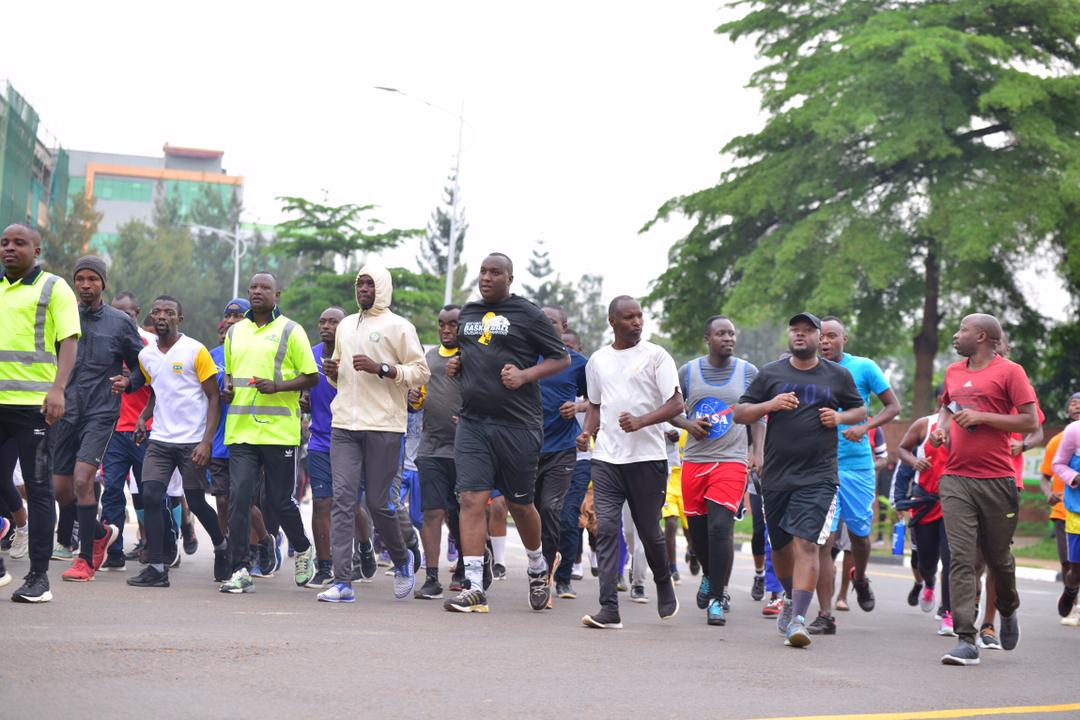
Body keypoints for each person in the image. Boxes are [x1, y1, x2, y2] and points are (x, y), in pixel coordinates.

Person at [442, 253, 569, 614]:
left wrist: (525, 376)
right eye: (482, 271)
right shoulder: (467, 314)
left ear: (510, 278)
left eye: (495, 272)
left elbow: (559, 358)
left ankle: (536, 566)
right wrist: (458, 364)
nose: (486, 277)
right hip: (473, 422)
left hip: (518, 424)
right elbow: (474, 354)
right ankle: (473, 584)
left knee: (520, 504)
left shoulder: (527, 314)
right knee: (470, 499)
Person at [733, 312, 865, 648]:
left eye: (808, 331)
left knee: (807, 543)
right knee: (780, 546)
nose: (801, 335)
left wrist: (838, 416)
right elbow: (739, 413)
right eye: (796, 330)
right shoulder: (772, 374)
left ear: (820, 338)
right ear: (789, 335)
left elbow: (860, 411)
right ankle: (791, 598)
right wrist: (769, 404)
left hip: (819, 475)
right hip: (776, 474)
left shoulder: (837, 375)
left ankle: (799, 620)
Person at [932, 313, 1038, 666]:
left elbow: (1029, 421)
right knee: (961, 558)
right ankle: (966, 638)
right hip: (957, 478)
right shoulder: (953, 372)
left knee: (999, 559)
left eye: (962, 329)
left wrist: (982, 417)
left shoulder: (1011, 371)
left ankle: (1007, 608)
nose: (955, 334)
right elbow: (947, 407)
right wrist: (943, 429)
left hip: (997, 480)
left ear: (981, 336)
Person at [318, 266, 430, 603]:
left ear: (382, 289)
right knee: (343, 501)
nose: (363, 289)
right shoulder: (347, 325)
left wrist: (382, 368)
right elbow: (341, 378)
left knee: (379, 503)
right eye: (359, 284)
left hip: (383, 425)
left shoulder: (399, 327)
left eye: (369, 284)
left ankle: (402, 560)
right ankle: (342, 582)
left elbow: (420, 372)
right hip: (344, 427)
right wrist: (333, 372)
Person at [579, 295, 683, 629]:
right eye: (629, 317)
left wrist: (642, 421)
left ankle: (663, 582)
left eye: (640, 316)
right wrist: (586, 432)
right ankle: (609, 608)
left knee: (649, 532)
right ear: (613, 321)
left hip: (647, 458)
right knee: (607, 529)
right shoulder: (597, 360)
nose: (637, 322)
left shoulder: (656, 356)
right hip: (607, 457)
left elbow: (676, 403)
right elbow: (595, 404)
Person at [219, 272, 318, 593]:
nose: (258, 292)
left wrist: (278, 387)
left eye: (265, 288)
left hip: (278, 433)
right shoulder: (235, 332)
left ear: (278, 294)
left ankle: (303, 547)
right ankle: (239, 569)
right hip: (241, 431)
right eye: (253, 288)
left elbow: (311, 377)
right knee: (240, 499)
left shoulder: (292, 330)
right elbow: (231, 377)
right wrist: (228, 390)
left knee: (278, 500)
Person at [52, 256, 145, 583]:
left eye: (92, 279)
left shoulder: (120, 322)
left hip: (101, 410)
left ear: (103, 283)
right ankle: (100, 533)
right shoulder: (62, 316)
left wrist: (129, 382)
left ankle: (85, 559)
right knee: (62, 490)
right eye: (80, 279)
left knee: (82, 480)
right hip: (65, 409)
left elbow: (141, 366)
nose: (86, 285)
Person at [0, 224, 80, 602]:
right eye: (4, 243)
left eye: (18, 243)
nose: (9, 249)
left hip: (35, 407)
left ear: (37, 250)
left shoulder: (54, 287)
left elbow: (68, 342)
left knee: (38, 488)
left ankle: (38, 578)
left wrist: (58, 388)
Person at [123, 295, 225, 587]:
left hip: (192, 442)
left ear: (179, 319)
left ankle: (221, 545)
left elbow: (213, 397)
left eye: (169, 312)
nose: (162, 316)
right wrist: (144, 416)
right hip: (160, 441)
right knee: (152, 496)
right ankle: (157, 566)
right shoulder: (146, 356)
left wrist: (206, 442)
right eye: (157, 312)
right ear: (151, 318)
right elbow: (158, 388)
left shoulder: (195, 350)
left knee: (195, 501)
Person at [670, 315, 763, 627]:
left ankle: (717, 598)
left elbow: (758, 416)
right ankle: (710, 576)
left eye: (732, 333)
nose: (728, 338)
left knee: (720, 528)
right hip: (695, 460)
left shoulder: (748, 372)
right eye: (721, 333)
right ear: (707, 338)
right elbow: (672, 410)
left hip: (732, 460)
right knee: (697, 533)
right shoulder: (689, 371)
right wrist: (688, 424)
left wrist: (757, 453)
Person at [811, 317, 901, 634]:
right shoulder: (808, 369)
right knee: (825, 540)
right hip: (820, 466)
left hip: (857, 466)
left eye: (832, 336)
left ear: (844, 339)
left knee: (860, 536)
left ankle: (859, 579)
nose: (825, 342)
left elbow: (893, 406)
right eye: (821, 336)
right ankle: (825, 614)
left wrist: (865, 427)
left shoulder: (863, 367)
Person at [98, 291, 158, 571]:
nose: (123, 317)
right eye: (117, 312)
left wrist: (132, 381)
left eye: (129, 313)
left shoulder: (149, 345)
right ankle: (114, 552)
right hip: (112, 430)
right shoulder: (105, 341)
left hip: (143, 430)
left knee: (149, 492)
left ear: (137, 313)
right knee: (111, 491)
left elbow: (161, 386)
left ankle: (156, 546)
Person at [535, 305, 588, 604]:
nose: (545, 324)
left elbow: (596, 399)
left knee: (553, 509)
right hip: (527, 447)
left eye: (551, 321)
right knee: (529, 510)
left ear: (563, 326)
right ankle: (540, 565)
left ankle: (549, 573)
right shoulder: (525, 357)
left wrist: (578, 408)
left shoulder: (577, 362)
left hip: (562, 449)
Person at [414, 305, 464, 600]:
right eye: (442, 324)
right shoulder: (428, 359)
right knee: (432, 512)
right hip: (431, 446)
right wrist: (413, 399)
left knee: (461, 513)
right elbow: (417, 398)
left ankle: (472, 565)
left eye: (453, 325)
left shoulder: (472, 360)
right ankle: (431, 578)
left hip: (465, 448)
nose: (446, 330)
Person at [896, 385, 953, 636]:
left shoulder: (967, 425)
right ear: (941, 399)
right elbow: (901, 449)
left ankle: (948, 613)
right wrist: (914, 461)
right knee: (927, 560)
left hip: (954, 501)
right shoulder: (924, 424)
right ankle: (928, 582)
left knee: (952, 560)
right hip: (924, 500)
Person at [299, 306, 350, 589]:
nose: (326, 325)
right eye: (322, 321)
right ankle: (325, 565)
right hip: (319, 440)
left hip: (349, 440)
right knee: (321, 502)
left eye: (333, 321)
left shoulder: (355, 354)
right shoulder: (311, 353)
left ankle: (364, 546)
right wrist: (303, 398)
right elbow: (303, 386)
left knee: (349, 505)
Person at [554, 330, 593, 598]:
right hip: (545, 453)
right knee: (547, 514)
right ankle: (542, 570)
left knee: (569, 517)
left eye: (571, 346)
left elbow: (600, 401)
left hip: (579, 457)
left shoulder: (584, 367)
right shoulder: (539, 363)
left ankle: (564, 577)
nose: (566, 349)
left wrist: (578, 408)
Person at [1041, 392, 1080, 624]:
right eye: (1074, 405)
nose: (1078, 408)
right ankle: (1071, 589)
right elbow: (1049, 473)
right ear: (1068, 411)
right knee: (1070, 566)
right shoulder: (1063, 438)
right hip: (1067, 511)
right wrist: (1051, 494)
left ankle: (1076, 610)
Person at [1051, 415, 1080, 627]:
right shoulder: (1074, 431)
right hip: (1077, 510)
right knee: (1076, 570)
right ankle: (1071, 588)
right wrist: (1075, 477)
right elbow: (1058, 464)